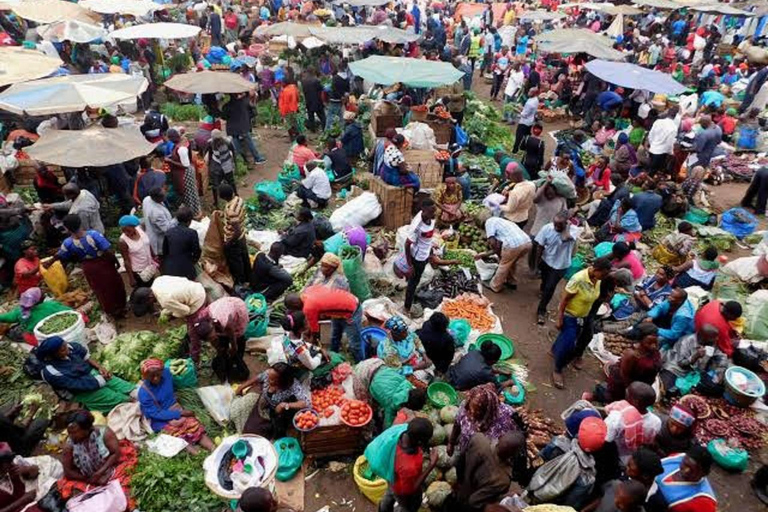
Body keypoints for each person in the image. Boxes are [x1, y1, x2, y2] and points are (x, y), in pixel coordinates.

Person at [551, 258, 612, 388]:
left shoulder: (597, 280)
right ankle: (557, 369)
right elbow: (564, 299)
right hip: (570, 315)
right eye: (604, 274)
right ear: (596, 270)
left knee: (568, 337)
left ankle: (554, 350)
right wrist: (559, 317)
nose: (604, 277)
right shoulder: (578, 279)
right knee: (569, 344)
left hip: (582, 316)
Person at [51, 214, 126, 318]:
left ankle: (111, 310)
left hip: (89, 267)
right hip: (104, 264)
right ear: (80, 223)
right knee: (113, 284)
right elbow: (107, 250)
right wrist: (115, 261)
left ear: (67, 228)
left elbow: (60, 255)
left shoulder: (67, 243)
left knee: (100, 288)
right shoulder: (94, 235)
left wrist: (48, 262)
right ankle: (121, 307)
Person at [58, 411, 137, 507]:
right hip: (86, 478)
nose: (71, 436)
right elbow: (68, 471)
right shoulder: (69, 446)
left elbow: (115, 453)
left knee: (126, 492)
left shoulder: (104, 433)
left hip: (110, 470)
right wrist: (90, 479)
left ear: (86, 429)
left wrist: (100, 472)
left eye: (75, 432)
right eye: (70, 432)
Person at [38, 336, 134, 413]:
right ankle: (125, 401)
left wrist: (100, 368)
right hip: (77, 391)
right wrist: (100, 380)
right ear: (53, 355)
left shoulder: (71, 347)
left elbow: (86, 358)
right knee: (118, 399)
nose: (67, 350)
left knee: (122, 385)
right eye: (62, 350)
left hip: (89, 374)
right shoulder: (51, 372)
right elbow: (76, 384)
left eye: (65, 346)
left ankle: (133, 394)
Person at [528, 416, 607, 509]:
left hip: (537, 486)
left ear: (579, 432)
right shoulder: (588, 477)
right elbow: (571, 504)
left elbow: (540, 458)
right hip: (552, 507)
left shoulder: (558, 442)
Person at [138, 359, 214, 454]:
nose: (156, 378)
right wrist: (180, 413)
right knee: (177, 436)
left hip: (174, 407)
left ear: (161, 371)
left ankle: (213, 448)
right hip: (160, 419)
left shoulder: (166, 373)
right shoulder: (144, 393)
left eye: (158, 375)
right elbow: (155, 413)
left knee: (193, 425)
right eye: (151, 376)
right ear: (145, 377)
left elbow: (173, 386)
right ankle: (197, 454)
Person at [449, 432, 528, 511]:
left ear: (500, 438)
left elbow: (460, 461)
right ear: (513, 454)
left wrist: (460, 482)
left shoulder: (479, 439)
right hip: (468, 506)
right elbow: (474, 502)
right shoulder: (502, 480)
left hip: (459, 491)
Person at [285, 287, 365, 362]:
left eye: (294, 309)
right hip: (341, 306)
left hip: (352, 310)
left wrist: (313, 345)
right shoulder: (308, 290)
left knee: (355, 345)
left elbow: (315, 332)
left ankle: (361, 364)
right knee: (334, 337)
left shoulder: (308, 307)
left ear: (295, 305)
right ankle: (334, 356)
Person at [236, 362, 309, 439]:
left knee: (263, 435)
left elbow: (304, 403)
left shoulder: (293, 386)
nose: (269, 380)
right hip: (265, 403)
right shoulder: (269, 373)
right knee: (248, 430)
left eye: (273, 379)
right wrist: (242, 387)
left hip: (278, 412)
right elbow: (257, 378)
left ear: (283, 380)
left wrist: (284, 405)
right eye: (269, 377)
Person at [377, 418, 436, 512]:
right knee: (406, 506)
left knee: (389, 495)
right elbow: (411, 489)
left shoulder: (398, 432)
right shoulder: (409, 466)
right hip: (402, 491)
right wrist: (431, 465)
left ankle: (383, 509)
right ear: (420, 442)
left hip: (391, 479)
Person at [447, 383, 522, 455]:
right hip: (465, 448)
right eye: (468, 409)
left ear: (486, 412)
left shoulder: (508, 416)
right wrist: (451, 442)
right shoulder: (466, 406)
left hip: (484, 457)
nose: (468, 414)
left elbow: (514, 440)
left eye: (474, 413)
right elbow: (457, 423)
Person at [595, 325, 662, 404]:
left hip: (642, 385)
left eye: (655, 342)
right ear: (641, 341)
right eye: (649, 343)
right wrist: (631, 392)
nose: (653, 346)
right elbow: (624, 376)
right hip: (625, 386)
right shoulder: (632, 354)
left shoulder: (654, 352)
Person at [353, 358, 427, 428]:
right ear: (408, 404)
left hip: (375, 364)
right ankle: (369, 425)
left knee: (380, 397)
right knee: (366, 406)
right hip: (362, 373)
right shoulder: (391, 403)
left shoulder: (406, 384)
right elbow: (388, 423)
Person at [190, 296, 250, 383]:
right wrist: (219, 349)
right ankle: (226, 367)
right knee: (222, 346)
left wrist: (234, 346)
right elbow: (210, 339)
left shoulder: (224, 321)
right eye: (210, 338)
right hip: (220, 312)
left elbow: (230, 329)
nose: (212, 338)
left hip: (236, 308)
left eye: (212, 336)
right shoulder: (201, 323)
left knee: (238, 342)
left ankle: (236, 361)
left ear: (212, 325)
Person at [534, 211, 579, 325]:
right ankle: (542, 290)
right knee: (544, 281)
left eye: (560, 225)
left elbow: (565, 238)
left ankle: (541, 311)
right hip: (547, 260)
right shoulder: (547, 229)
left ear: (567, 223)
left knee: (550, 287)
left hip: (560, 265)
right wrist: (537, 263)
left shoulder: (573, 231)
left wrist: (567, 227)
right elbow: (540, 245)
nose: (556, 227)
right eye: (555, 224)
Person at [602, 382, 662, 462]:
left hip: (613, 458)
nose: (626, 391)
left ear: (635, 401)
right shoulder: (656, 422)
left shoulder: (617, 418)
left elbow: (605, 440)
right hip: (632, 459)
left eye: (628, 392)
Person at [647, 446, 717, 512]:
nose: (686, 471)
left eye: (692, 470)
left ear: (703, 474)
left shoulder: (704, 502)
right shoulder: (677, 458)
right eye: (685, 464)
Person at [476, 216, 532, 293]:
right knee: (511, 262)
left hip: (513, 245)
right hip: (527, 243)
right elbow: (498, 248)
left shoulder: (489, 222)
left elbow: (492, 242)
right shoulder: (503, 222)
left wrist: (487, 253)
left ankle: (495, 286)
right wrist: (485, 254)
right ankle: (511, 281)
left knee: (503, 265)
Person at [403, 200, 436, 315]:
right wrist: (410, 265)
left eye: (434, 210)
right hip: (418, 258)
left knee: (414, 278)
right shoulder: (417, 225)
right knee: (414, 282)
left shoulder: (430, 217)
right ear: (423, 210)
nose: (434, 214)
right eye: (431, 211)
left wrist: (431, 247)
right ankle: (407, 307)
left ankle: (408, 281)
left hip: (426, 252)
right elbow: (407, 244)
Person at [219, 184, 250, 285]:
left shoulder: (231, 211)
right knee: (245, 259)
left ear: (223, 197)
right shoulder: (238, 199)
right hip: (242, 237)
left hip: (234, 239)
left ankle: (241, 284)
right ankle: (249, 279)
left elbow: (236, 231)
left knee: (237, 264)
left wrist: (229, 242)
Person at [223, 93, 265, 164]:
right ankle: (257, 158)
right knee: (249, 141)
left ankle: (242, 161)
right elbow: (254, 113)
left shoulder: (226, 106)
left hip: (232, 128)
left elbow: (224, 117)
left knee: (236, 145)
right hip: (243, 127)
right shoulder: (244, 102)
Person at [117, 214, 157, 290]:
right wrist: (131, 278)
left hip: (149, 266)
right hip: (138, 272)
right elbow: (126, 261)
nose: (126, 233)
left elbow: (147, 243)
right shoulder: (123, 241)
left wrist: (154, 256)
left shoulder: (140, 229)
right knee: (144, 292)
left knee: (151, 288)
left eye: (128, 230)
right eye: (123, 230)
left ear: (134, 227)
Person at [162, 206, 201, 281]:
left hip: (170, 269)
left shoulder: (169, 232)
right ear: (190, 221)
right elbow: (197, 252)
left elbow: (165, 252)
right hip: (186, 269)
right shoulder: (192, 233)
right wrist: (191, 262)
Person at [205, 129, 238, 207]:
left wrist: (234, 164)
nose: (217, 141)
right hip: (216, 163)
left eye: (218, 139)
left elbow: (233, 152)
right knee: (215, 184)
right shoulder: (210, 143)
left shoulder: (227, 142)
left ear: (221, 138)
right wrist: (209, 165)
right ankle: (216, 202)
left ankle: (236, 195)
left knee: (231, 181)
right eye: (216, 140)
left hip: (226, 163)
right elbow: (209, 153)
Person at [142, 186, 176, 257]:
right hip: (161, 241)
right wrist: (177, 218)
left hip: (150, 231)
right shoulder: (157, 213)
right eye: (163, 196)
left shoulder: (147, 199)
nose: (165, 195)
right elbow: (166, 229)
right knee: (164, 258)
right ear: (156, 198)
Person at [512, 88, 539, 153]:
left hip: (524, 122)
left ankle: (515, 150)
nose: (528, 93)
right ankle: (523, 147)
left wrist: (517, 110)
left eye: (530, 92)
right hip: (530, 121)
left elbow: (524, 115)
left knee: (519, 136)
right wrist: (522, 108)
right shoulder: (535, 99)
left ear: (534, 93)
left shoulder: (530, 104)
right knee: (527, 134)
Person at [302, 68, 326, 133]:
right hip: (317, 101)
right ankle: (324, 129)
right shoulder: (316, 80)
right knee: (322, 116)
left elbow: (304, 91)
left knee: (311, 116)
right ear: (313, 72)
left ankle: (312, 130)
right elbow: (322, 88)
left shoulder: (304, 81)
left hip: (308, 101)